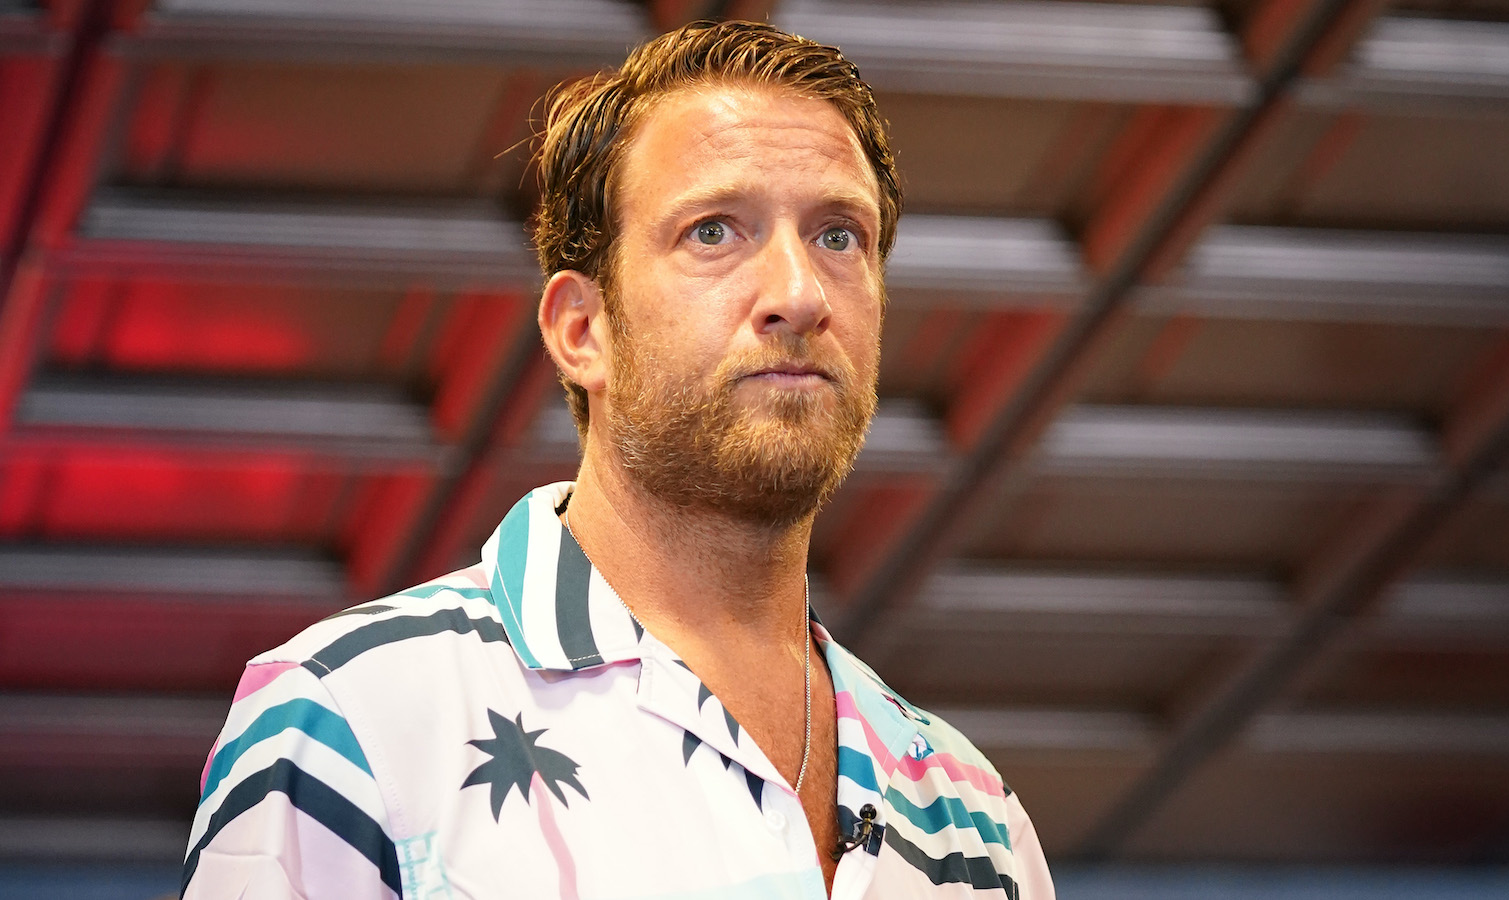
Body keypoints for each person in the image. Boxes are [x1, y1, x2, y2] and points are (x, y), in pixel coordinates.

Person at [183, 20, 1053, 900]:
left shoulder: (976, 815)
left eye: (840, 236)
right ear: (581, 329)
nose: (798, 294)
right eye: (714, 232)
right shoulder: (354, 719)